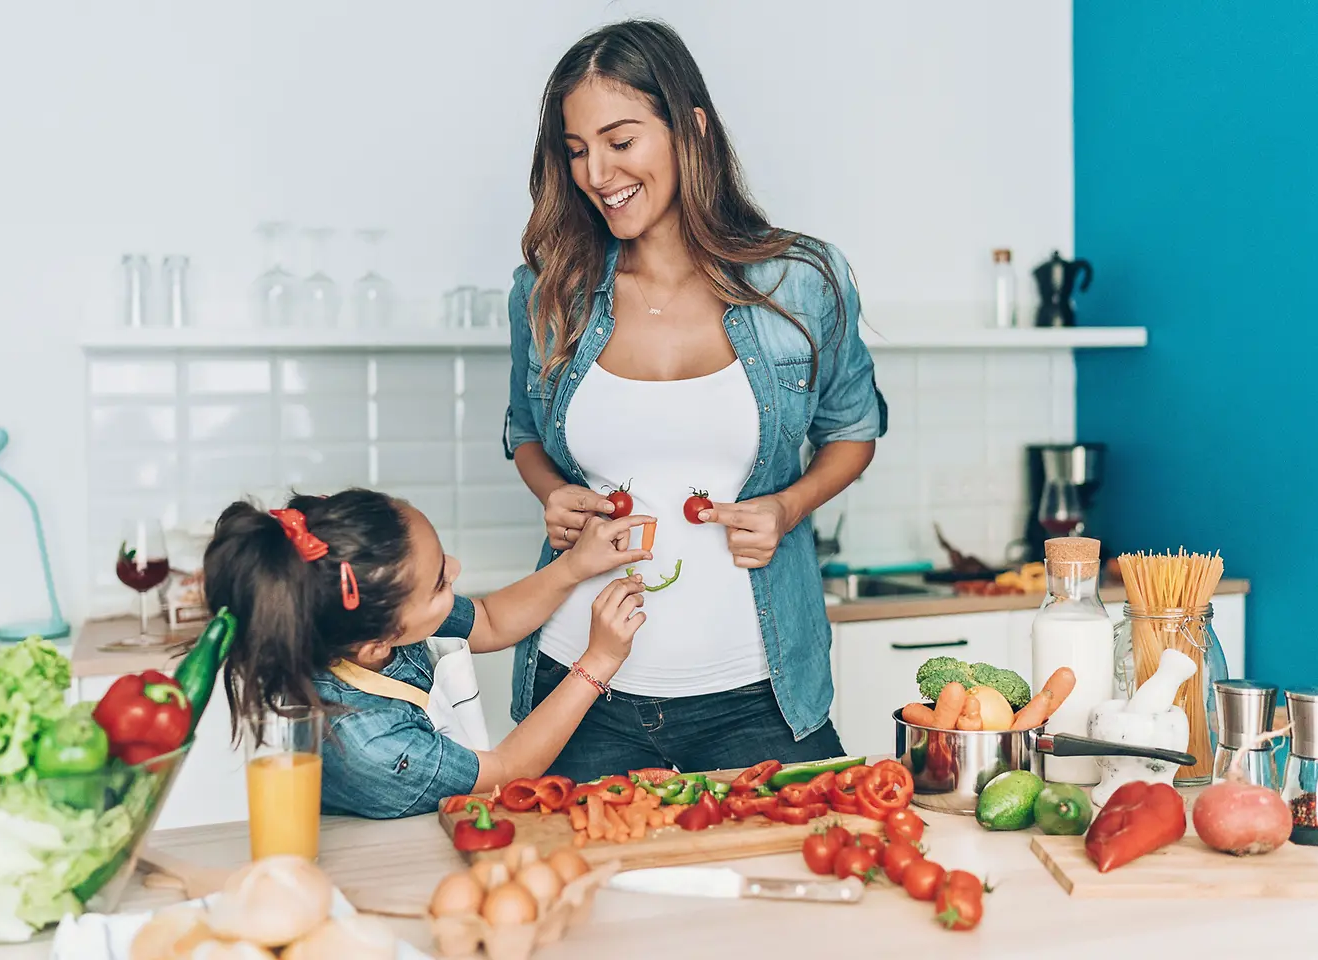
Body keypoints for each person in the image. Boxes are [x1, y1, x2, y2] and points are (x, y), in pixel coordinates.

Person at [503, 19, 888, 780]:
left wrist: (788, 507)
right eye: (575, 150)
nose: (596, 173)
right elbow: (525, 433)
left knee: (810, 854)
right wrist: (553, 494)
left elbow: (853, 430)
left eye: (620, 140)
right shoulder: (548, 291)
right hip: (579, 688)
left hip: (758, 695)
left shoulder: (802, 280)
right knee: (567, 865)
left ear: (691, 129)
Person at [202, 488, 655, 819]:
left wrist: (575, 565)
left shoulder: (368, 614)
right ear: (378, 643)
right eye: (441, 581)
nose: (456, 569)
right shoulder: (370, 743)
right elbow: (507, 769)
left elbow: (490, 619)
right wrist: (600, 660)